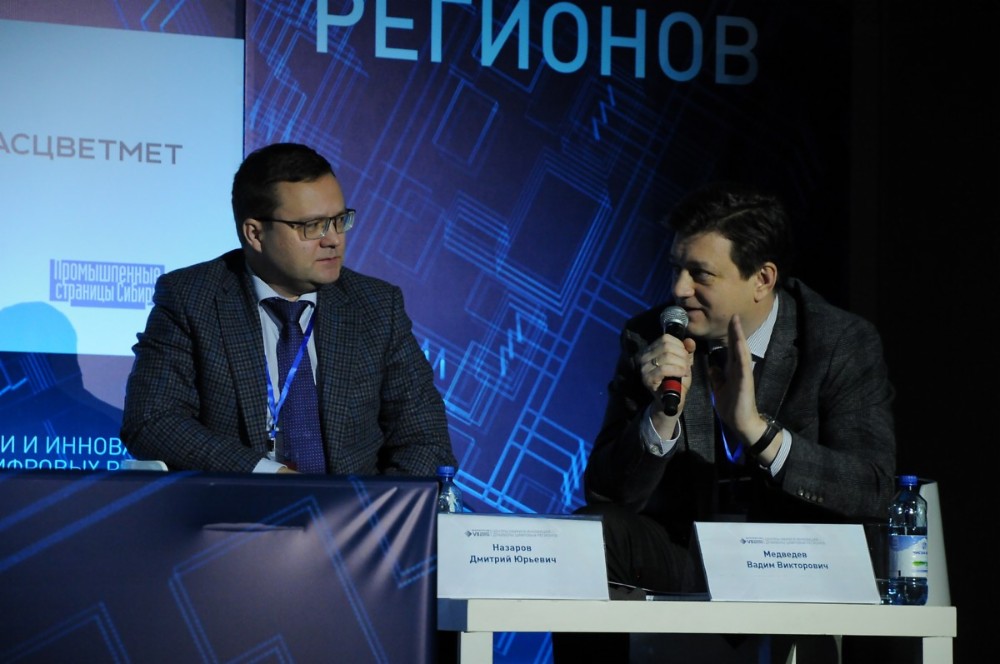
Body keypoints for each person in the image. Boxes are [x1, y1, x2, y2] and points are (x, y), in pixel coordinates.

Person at [553, 181, 896, 662]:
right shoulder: (650, 337)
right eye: (676, 269)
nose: (679, 290)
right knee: (590, 537)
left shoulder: (839, 341)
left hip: (797, 560)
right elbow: (607, 495)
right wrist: (661, 416)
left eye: (700, 274)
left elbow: (873, 489)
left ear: (762, 279)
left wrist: (758, 431)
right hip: (692, 554)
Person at [120, 142, 456, 476]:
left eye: (339, 220)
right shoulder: (192, 299)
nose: (333, 239)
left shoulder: (377, 306)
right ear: (255, 234)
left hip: (356, 508)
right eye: (313, 226)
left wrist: (373, 504)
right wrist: (271, 478)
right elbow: (152, 421)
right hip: (240, 507)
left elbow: (426, 439)